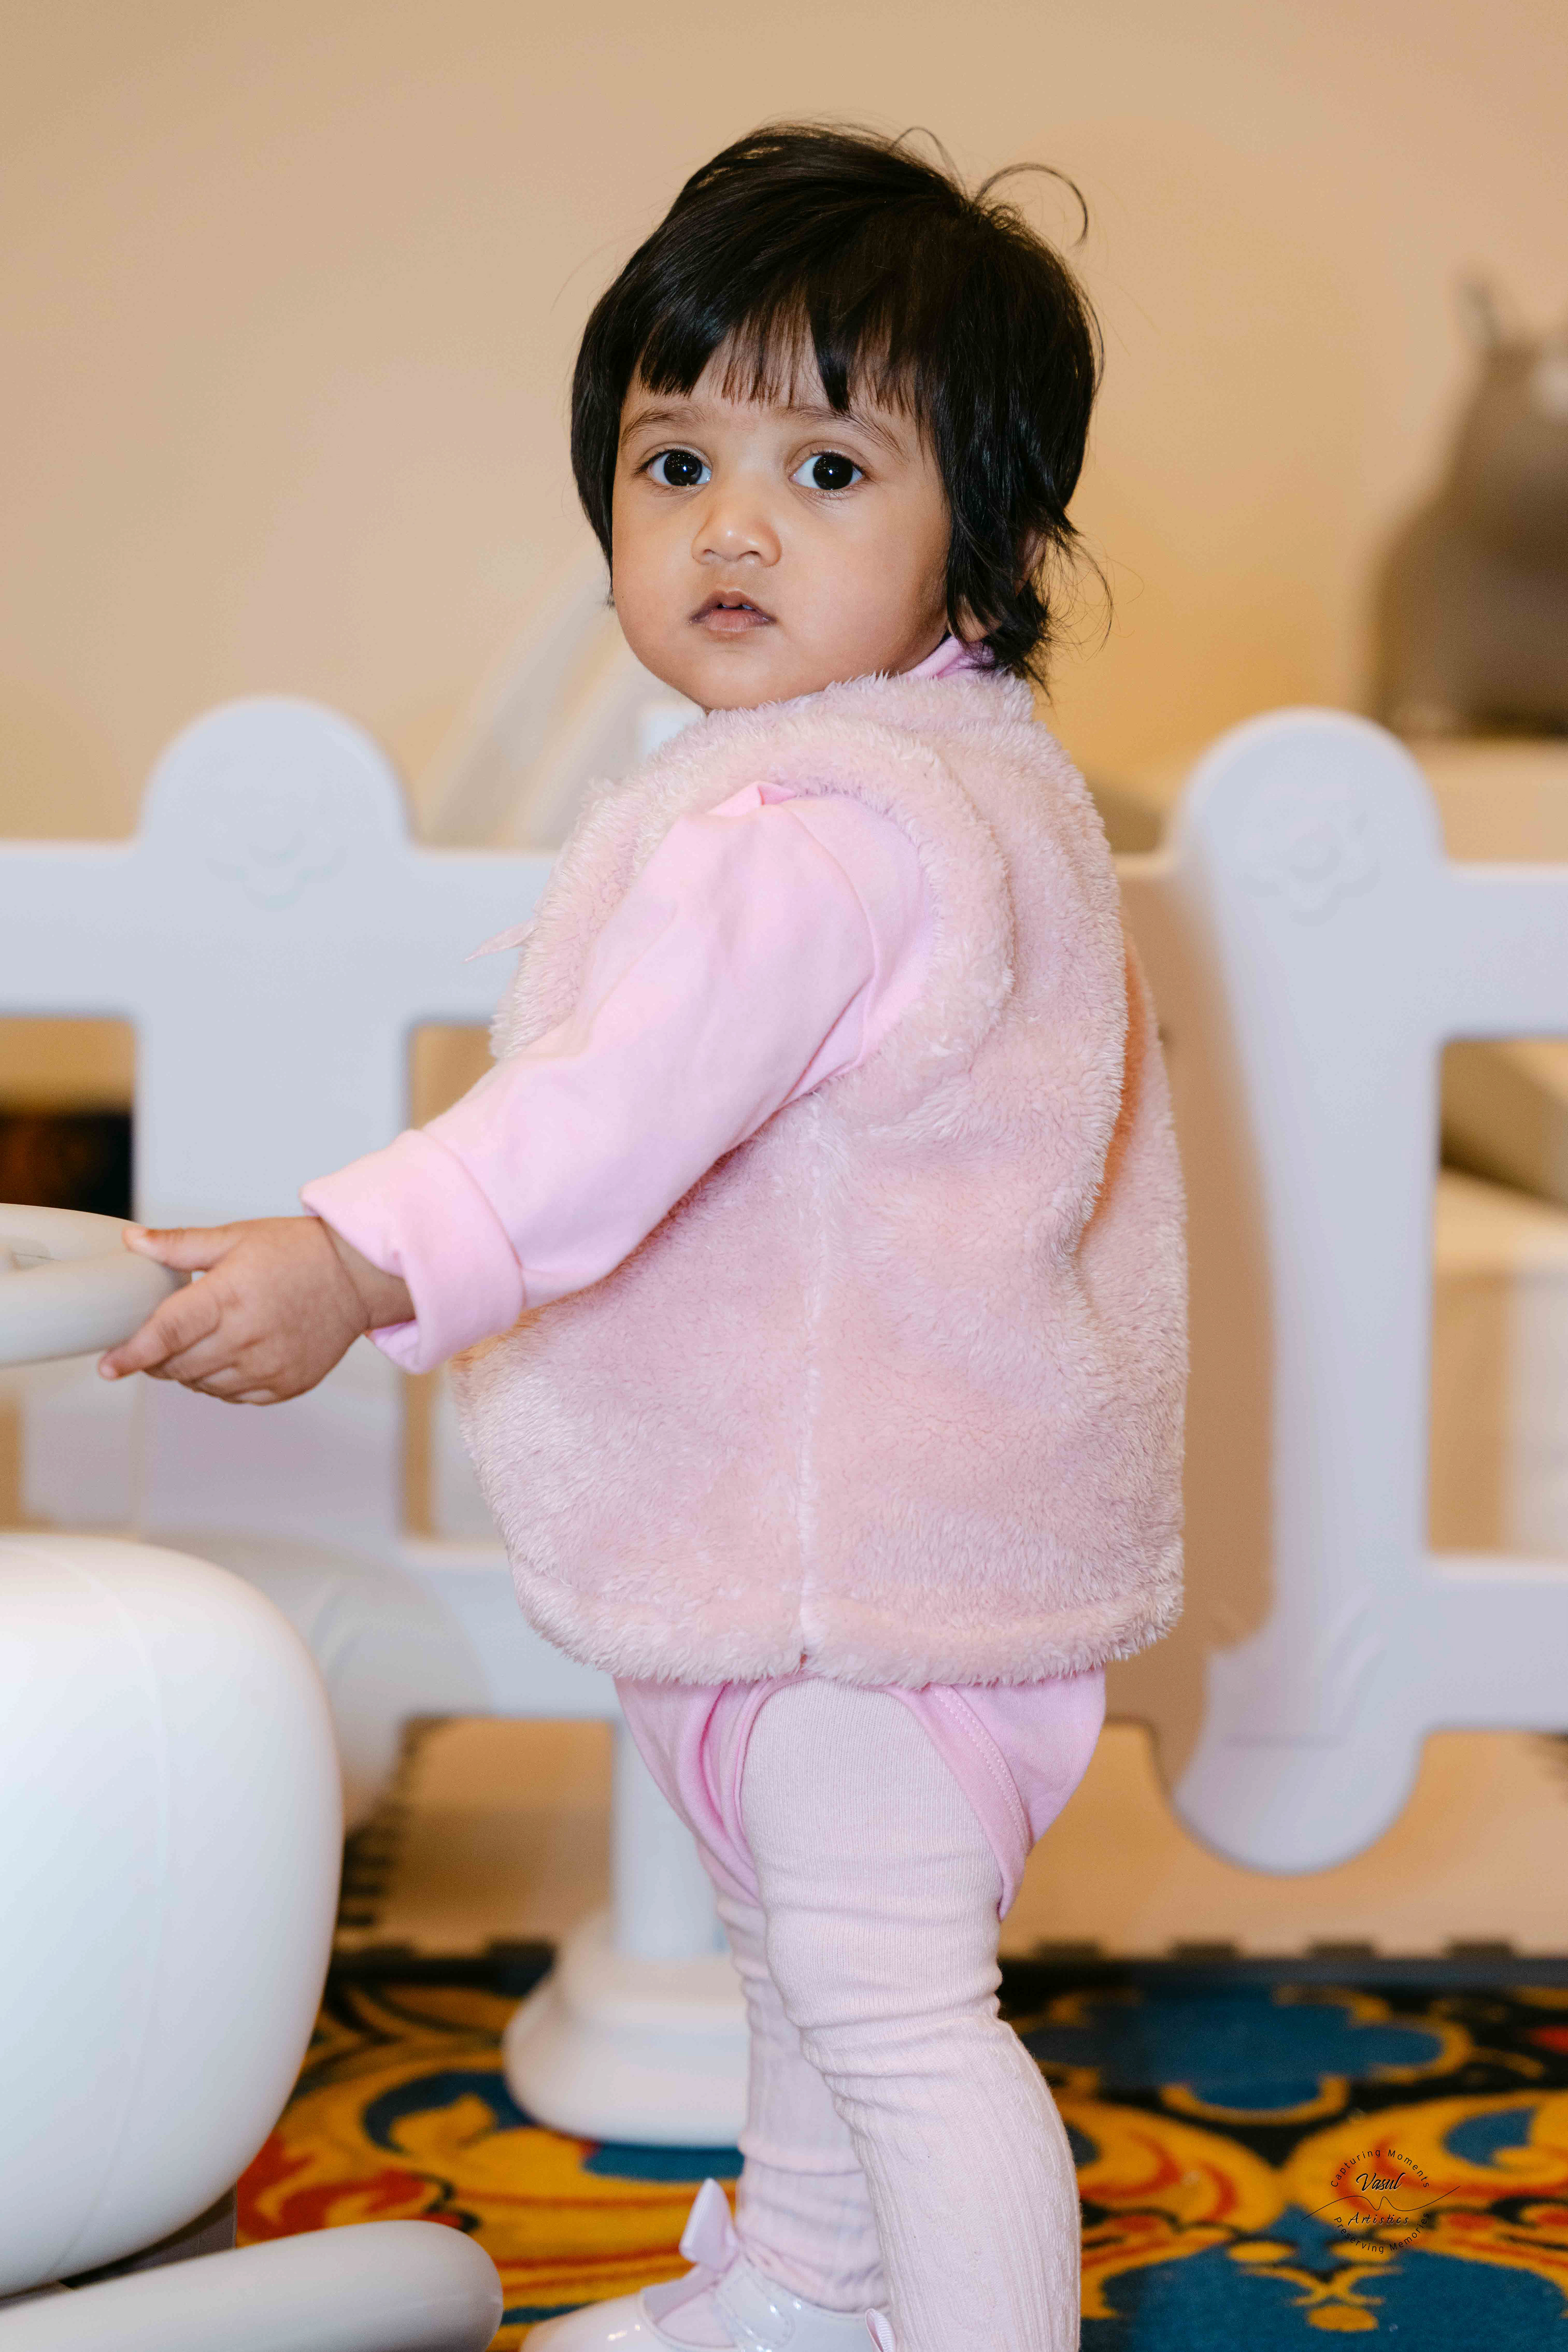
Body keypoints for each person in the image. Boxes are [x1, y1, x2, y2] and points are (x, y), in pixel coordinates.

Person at [101, 123, 1187, 2352]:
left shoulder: (816, 840)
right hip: (897, 1545)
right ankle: (804, 2289)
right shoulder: (964, 789)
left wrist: (353, 1261)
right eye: (673, 462)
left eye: (826, 470)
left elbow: (600, 1121)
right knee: (811, 1961)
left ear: (988, 544)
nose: (729, 526)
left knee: (893, 2011)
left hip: (851, 1564)